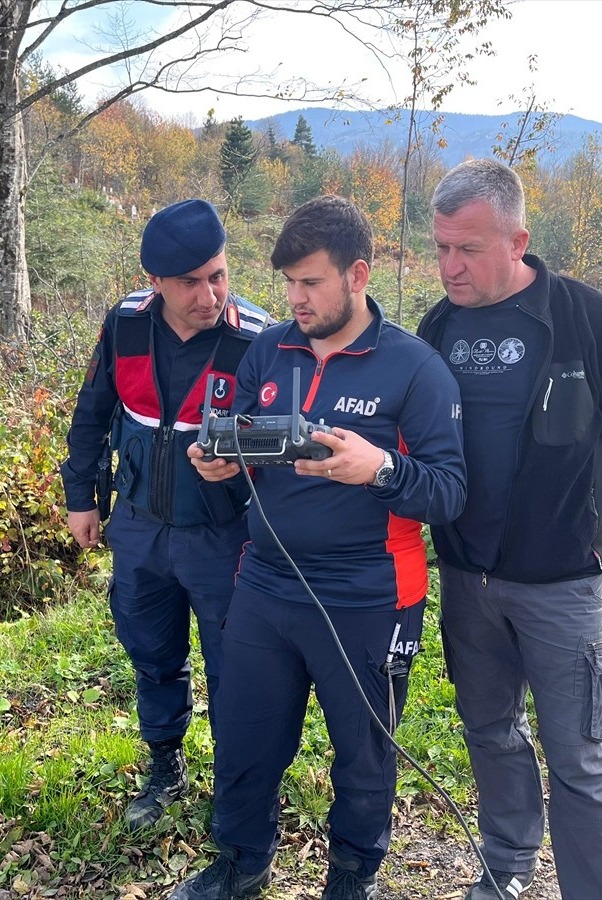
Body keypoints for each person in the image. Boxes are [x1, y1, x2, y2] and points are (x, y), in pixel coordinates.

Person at [169, 195, 467, 900]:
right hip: (266, 584)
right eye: (288, 284)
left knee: (363, 756)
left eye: (311, 282)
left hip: (368, 594)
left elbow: (452, 493)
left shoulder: (415, 370)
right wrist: (220, 457)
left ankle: (352, 875)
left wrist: (383, 469)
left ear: (357, 274)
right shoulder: (271, 349)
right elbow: (240, 432)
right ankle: (242, 863)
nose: (295, 299)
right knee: (244, 738)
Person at [416, 158, 602, 900]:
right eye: (440, 248)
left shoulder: (586, 321)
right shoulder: (439, 327)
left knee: (580, 757)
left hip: (560, 587)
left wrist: (582, 527)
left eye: (468, 249)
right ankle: (507, 867)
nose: (450, 266)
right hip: (468, 580)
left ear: (517, 240)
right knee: (490, 735)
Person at [60, 198, 271, 832]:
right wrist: (80, 496)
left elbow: (285, 439)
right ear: (155, 283)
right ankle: (165, 766)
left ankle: (239, 787)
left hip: (224, 536)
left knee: (237, 666)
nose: (209, 295)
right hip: (140, 527)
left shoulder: (257, 339)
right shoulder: (124, 325)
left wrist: (240, 460)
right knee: (151, 651)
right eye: (190, 283)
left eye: (218, 275)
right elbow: (93, 410)